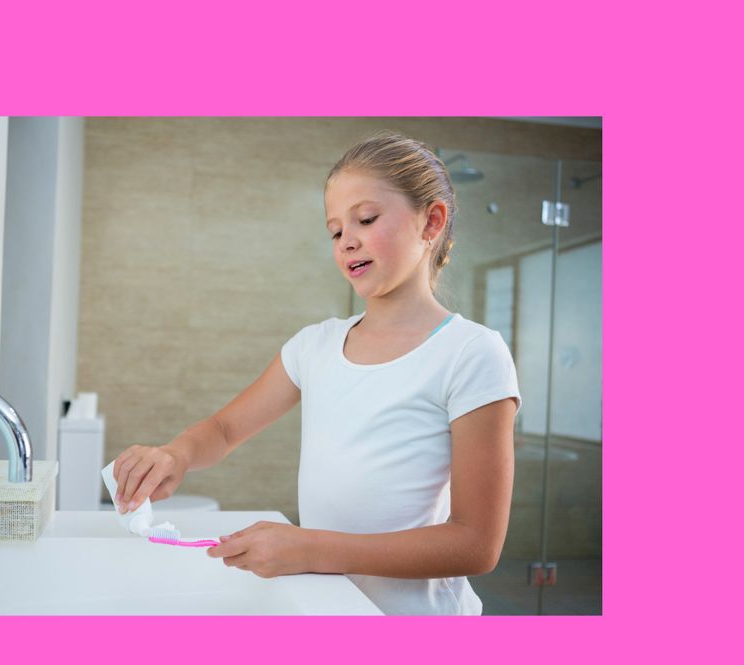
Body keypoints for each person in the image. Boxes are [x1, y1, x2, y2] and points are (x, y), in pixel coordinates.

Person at [111, 131, 522, 615]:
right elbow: (224, 430)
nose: (347, 240)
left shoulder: (471, 354)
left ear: (431, 221)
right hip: (332, 606)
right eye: (334, 230)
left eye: (366, 219)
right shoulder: (316, 345)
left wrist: (310, 549)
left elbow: (476, 544)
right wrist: (175, 454)